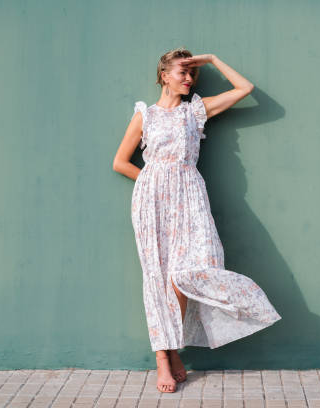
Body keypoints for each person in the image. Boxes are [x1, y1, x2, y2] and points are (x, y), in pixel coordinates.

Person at [112, 48, 281, 393]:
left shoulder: (196, 112)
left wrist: (213, 60)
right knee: (157, 278)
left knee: (189, 271)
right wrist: (153, 184)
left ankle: (174, 348)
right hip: (152, 203)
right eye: (182, 72)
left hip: (190, 198)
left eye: (193, 74)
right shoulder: (146, 115)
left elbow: (244, 88)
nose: (189, 78)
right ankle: (165, 357)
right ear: (163, 75)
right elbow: (121, 162)